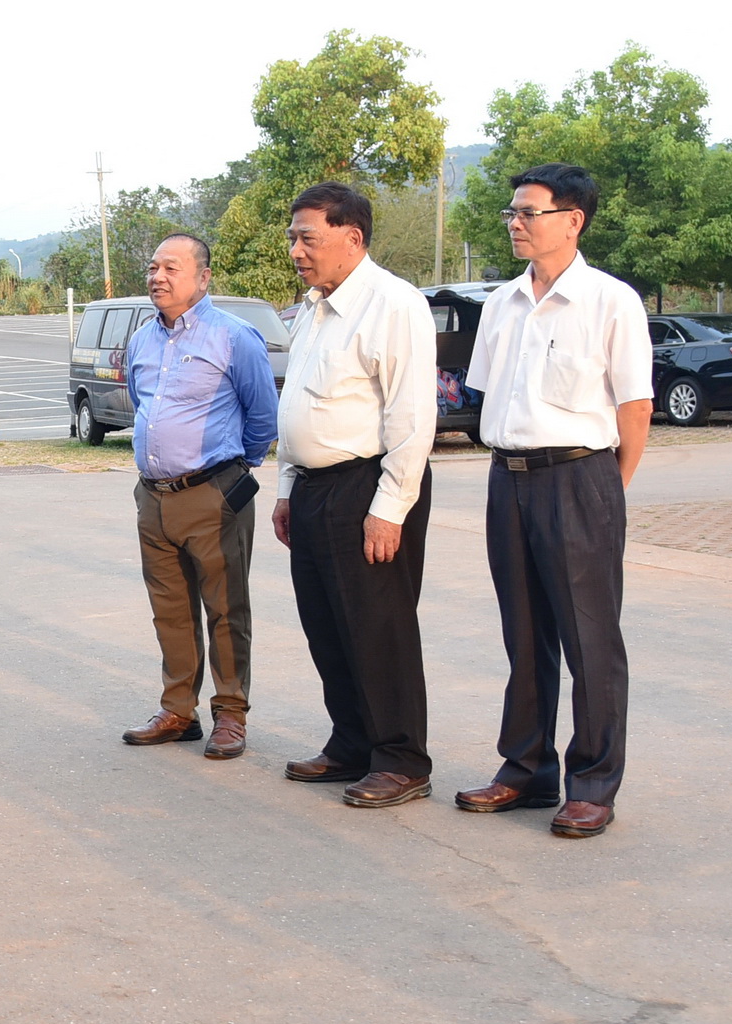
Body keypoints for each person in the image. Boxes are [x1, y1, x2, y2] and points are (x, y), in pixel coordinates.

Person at [457, 165, 653, 839]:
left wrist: (605, 495)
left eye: (528, 212)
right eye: (511, 211)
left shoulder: (609, 301)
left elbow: (634, 408)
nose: (515, 222)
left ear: (572, 220)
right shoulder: (501, 303)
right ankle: (527, 767)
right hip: (506, 477)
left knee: (588, 637)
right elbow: (489, 394)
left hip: (578, 477)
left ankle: (592, 782)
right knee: (523, 633)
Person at [269, 182, 438, 808]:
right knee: (326, 624)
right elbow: (299, 407)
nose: (295, 251)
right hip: (313, 490)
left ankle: (401, 759)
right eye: (292, 238)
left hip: (368, 487)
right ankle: (352, 741)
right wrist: (287, 486)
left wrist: (389, 509)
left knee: (379, 626)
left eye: (307, 237)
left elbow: (413, 419)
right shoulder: (315, 308)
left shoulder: (393, 304)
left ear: (352, 237)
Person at [117, 233, 277, 760]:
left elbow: (262, 417)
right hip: (154, 498)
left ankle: (230, 714)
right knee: (170, 608)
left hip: (213, 493)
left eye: (172, 268)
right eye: (153, 267)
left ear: (203, 278)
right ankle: (177, 710)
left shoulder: (234, 337)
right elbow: (143, 404)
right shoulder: (142, 340)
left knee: (226, 607)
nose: (158, 277)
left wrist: (232, 471)